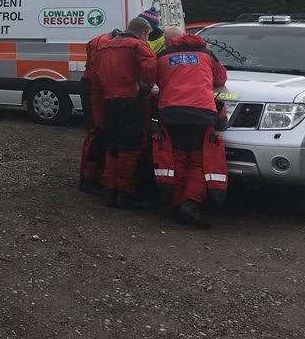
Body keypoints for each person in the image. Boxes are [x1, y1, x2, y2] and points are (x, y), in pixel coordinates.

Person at [153, 26, 228, 228]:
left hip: (171, 113)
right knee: (198, 161)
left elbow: (155, 80)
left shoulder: (162, 56)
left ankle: (176, 205)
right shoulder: (205, 53)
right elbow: (221, 78)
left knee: (176, 159)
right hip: (201, 114)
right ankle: (190, 203)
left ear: (167, 41)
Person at [91, 17, 157, 209]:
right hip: (131, 102)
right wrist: (145, 87)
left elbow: (95, 79)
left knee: (112, 146)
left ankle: (110, 190)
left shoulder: (104, 48)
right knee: (130, 147)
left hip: (109, 102)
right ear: (143, 33)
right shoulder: (138, 46)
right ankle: (126, 191)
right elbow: (150, 66)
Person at [78, 29, 120, 194]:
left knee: (95, 134)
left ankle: (89, 178)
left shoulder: (100, 41)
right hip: (95, 90)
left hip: (90, 86)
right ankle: (90, 180)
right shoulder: (105, 45)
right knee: (97, 135)